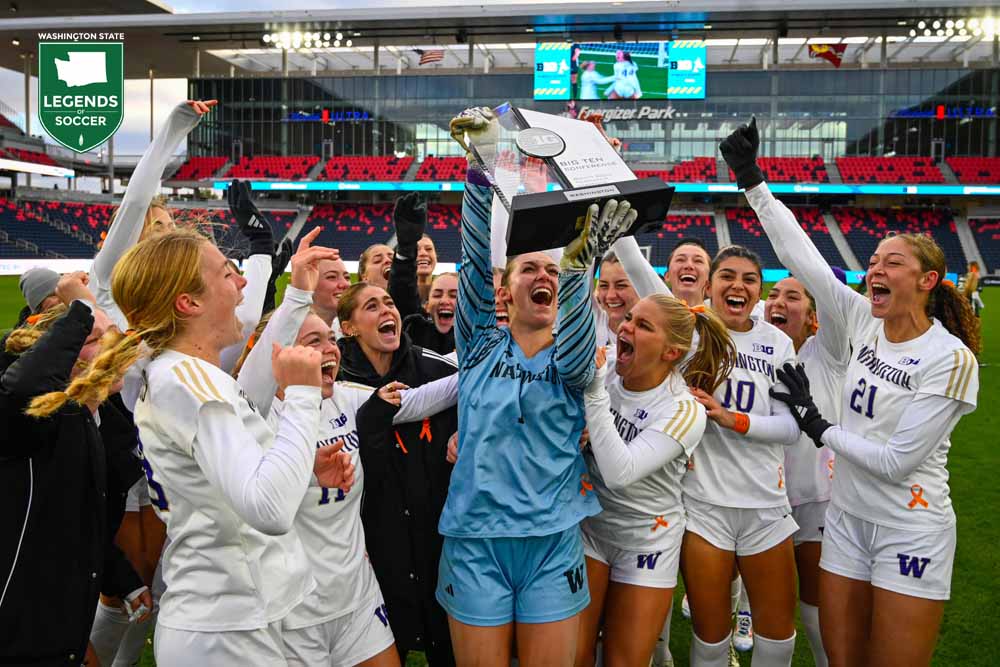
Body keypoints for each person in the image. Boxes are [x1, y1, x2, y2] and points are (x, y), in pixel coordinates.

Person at [723, 116, 981, 667]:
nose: (874, 270)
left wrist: (818, 425)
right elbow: (802, 257)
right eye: (874, 261)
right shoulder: (862, 317)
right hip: (845, 519)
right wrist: (752, 180)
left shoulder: (950, 358)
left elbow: (894, 461)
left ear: (928, 280)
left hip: (909, 524)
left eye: (892, 262)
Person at [27, 228, 354, 663]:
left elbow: (224, 468)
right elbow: (270, 510)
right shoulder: (188, 382)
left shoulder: (181, 375)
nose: (241, 283)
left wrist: (298, 464)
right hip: (225, 627)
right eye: (227, 273)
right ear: (189, 302)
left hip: (230, 618)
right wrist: (302, 396)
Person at [438, 106, 636, 666]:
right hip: (476, 540)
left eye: (550, 271)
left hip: (552, 541)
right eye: (528, 269)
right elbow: (476, 262)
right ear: (506, 291)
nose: (541, 275)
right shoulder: (479, 344)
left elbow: (576, 351)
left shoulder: (575, 354)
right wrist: (479, 169)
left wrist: (578, 264)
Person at [235, 233, 400, 667]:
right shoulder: (256, 417)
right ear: (281, 355)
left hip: (358, 598)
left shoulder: (349, 398)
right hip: (295, 612)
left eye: (330, 340)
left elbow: (419, 399)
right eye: (313, 342)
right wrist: (296, 293)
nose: (329, 349)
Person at [575, 295, 736, 667]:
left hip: (646, 542)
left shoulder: (684, 409)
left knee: (624, 661)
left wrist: (595, 393)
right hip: (589, 530)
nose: (626, 328)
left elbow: (621, 473)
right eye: (629, 318)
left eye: (644, 326)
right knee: (573, 655)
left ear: (671, 352)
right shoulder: (610, 367)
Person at [0, 273, 150, 666]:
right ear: (62, 359)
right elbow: (21, 385)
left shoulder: (101, 424)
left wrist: (125, 580)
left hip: (60, 620)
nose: (111, 350)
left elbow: (78, 523)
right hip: (20, 631)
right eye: (93, 343)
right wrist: (82, 310)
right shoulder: (39, 421)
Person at [334, 280, 460, 665]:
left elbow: (482, 396)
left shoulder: (433, 368)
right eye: (371, 307)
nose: (387, 310)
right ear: (349, 327)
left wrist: (464, 432)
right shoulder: (337, 382)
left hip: (436, 534)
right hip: (374, 546)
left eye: (389, 302)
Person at [764, 274, 849, 667]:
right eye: (773, 294)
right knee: (772, 603)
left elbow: (834, 301)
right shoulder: (755, 349)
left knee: (815, 598)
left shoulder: (826, 351)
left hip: (817, 498)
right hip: (762, 499)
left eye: (792, 297)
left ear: (815, 318)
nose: (778, 301)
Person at [388, 192, 456, 354]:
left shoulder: (478, 336)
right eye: (438, 294)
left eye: (454, 295)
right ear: (427, 305)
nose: (445, 300)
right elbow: (403, 294)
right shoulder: (418, 328)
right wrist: (405, 249)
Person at [594, 253, 639, 352]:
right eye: (604, 286)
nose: (610, 295)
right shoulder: (593, 322)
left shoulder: (656, 330)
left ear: (639, 287)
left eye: (621, 285)